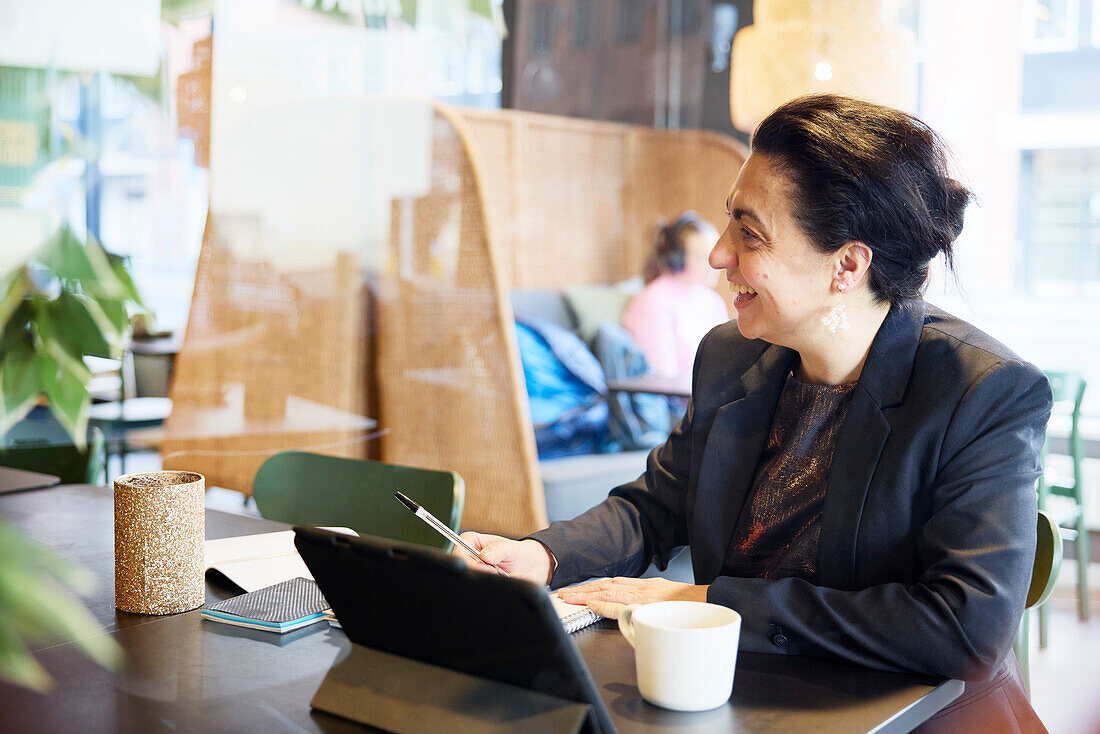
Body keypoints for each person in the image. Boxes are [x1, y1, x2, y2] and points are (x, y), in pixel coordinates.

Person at [457, 94, 1051, 732]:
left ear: (846, 265)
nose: (716, 255)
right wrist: (540, 556)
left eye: (750, 233)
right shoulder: (730, 356)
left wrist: (711, 602)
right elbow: (655, 505)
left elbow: (964, 627)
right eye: (726, 224)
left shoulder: (982, 392)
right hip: (745, 702)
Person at [621, 213, 730, 378]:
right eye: (703, 256)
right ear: (677, 259)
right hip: (677, 400)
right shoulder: (654, 301)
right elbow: (663, 378)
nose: (715, 263)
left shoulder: (713, 301)